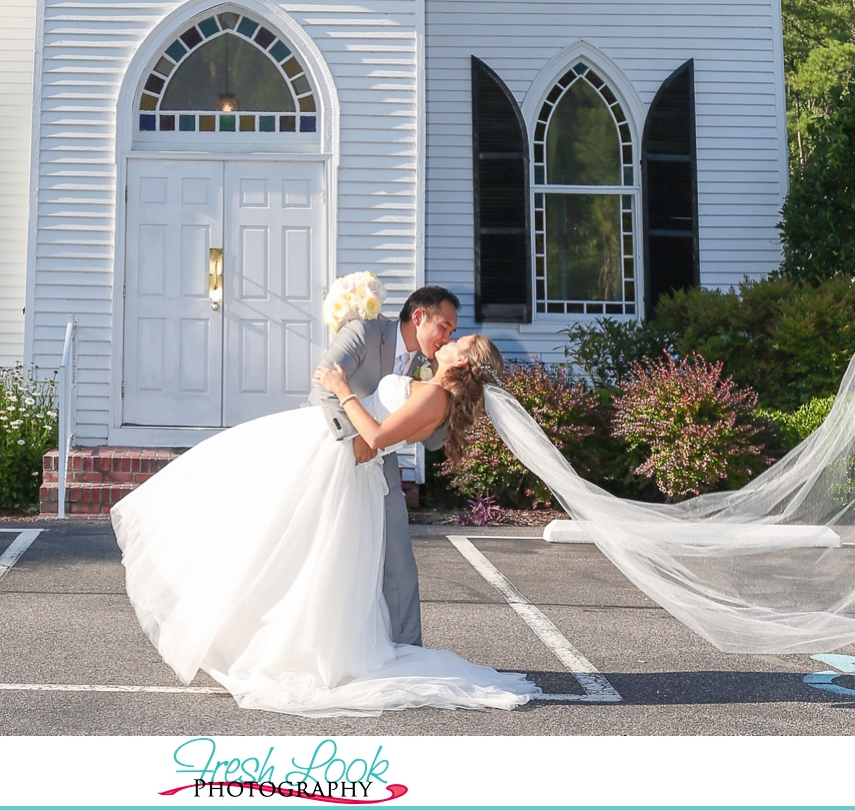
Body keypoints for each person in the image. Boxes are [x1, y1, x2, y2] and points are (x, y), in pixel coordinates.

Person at [110, 331, 539, 716]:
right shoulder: (432, 391)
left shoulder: (434, 397)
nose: (448, 340)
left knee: (286, 545)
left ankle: (274, 643)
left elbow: (376, 437)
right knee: (276, 537)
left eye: (458, 342)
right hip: (334, 453)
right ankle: (246, 629)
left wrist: (342, 390)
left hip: (340, 462)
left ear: (462, 362)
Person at [306, 284, 460, 646]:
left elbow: (433, 440)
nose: (447, 336)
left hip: (380, 462)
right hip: (332, 448)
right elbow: (323, 388)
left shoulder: (429, 366)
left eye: (453, 332)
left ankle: (408, 650)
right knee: (323, 553)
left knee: (399, 561)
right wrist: (354, 440)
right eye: (445, 327)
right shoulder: (364, 332)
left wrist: (455, 395)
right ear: (419, 316)